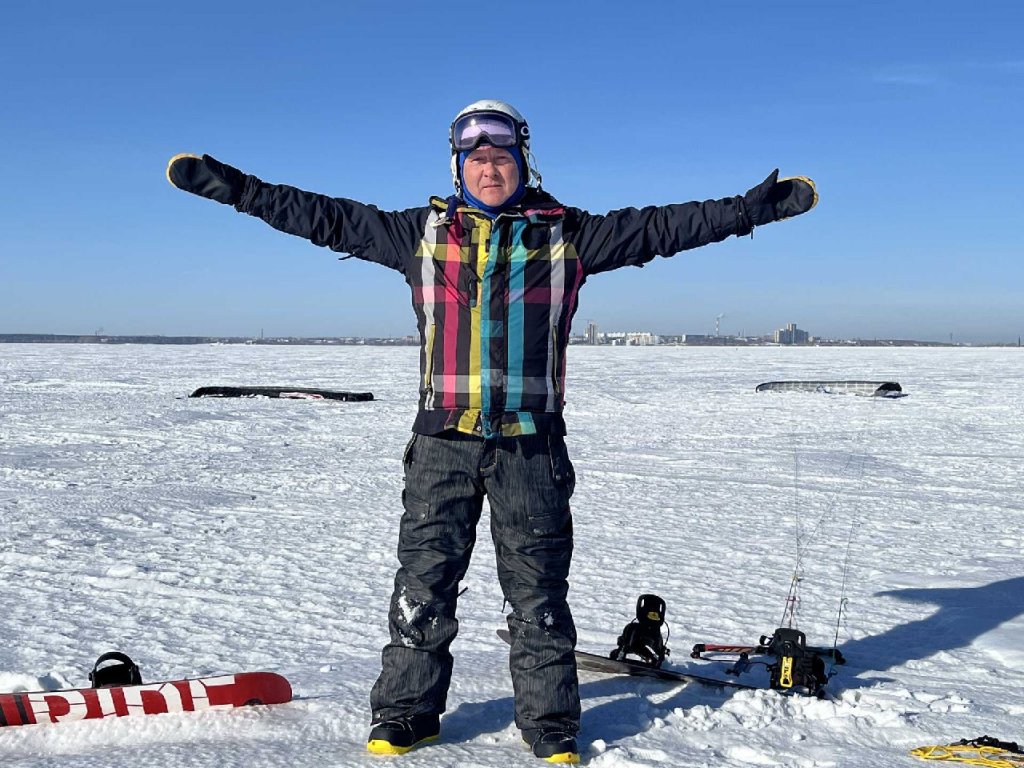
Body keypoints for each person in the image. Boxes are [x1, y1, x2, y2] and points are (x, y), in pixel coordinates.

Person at [166, 99, 817, 763]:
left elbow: (665, 228)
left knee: (538, 596)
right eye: (476, 160)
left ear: (521, 163)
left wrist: (750, 209)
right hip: (442, 446)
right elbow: (319, 216)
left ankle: (550, 727)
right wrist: (233, 188)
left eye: (501, 159)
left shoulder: (569, 236)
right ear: (457, 169)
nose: (489, 170)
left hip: (531, 448)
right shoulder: (415, 234)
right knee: (423, 588)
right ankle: (405, 715)